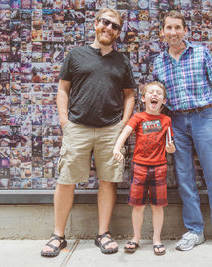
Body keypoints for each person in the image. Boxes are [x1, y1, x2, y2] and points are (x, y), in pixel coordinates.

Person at [41, 8, 136, 257]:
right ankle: (58, 235)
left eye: (115, 26)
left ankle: (103, 233)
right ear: (96, 24)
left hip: (110, 130)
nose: (109, 28)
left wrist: (123, 125)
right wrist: (64, 122)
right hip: (78, 127)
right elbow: (63, 90)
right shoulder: (75, 55)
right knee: (66, 180)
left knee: (108, 180)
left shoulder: (122, 60)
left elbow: (130, 95)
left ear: (118, 32)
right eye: (105, 22)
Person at [152, 10, 212, 252]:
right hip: (177, 122)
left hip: (204, 118)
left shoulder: (201, 52)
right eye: (168, 28)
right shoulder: (158, 62)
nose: (173, 32)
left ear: (185, 31)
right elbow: (157, 98)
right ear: (162, 32)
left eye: (177, 28)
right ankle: (194, 230)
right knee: (184, 178)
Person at [113, 81, 176, 255]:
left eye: (158, 93)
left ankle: (157, 239)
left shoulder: (166, 120)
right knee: (138, 205)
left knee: (158, 206)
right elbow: (125, 133)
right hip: (139, 166)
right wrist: (117, 148)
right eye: (151, 92)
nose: (154, 95)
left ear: (163, 101)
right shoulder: (138, 118)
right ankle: (136, 237)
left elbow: (170, 144)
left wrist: (171, 149)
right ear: (143, 98)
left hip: (159, 167)